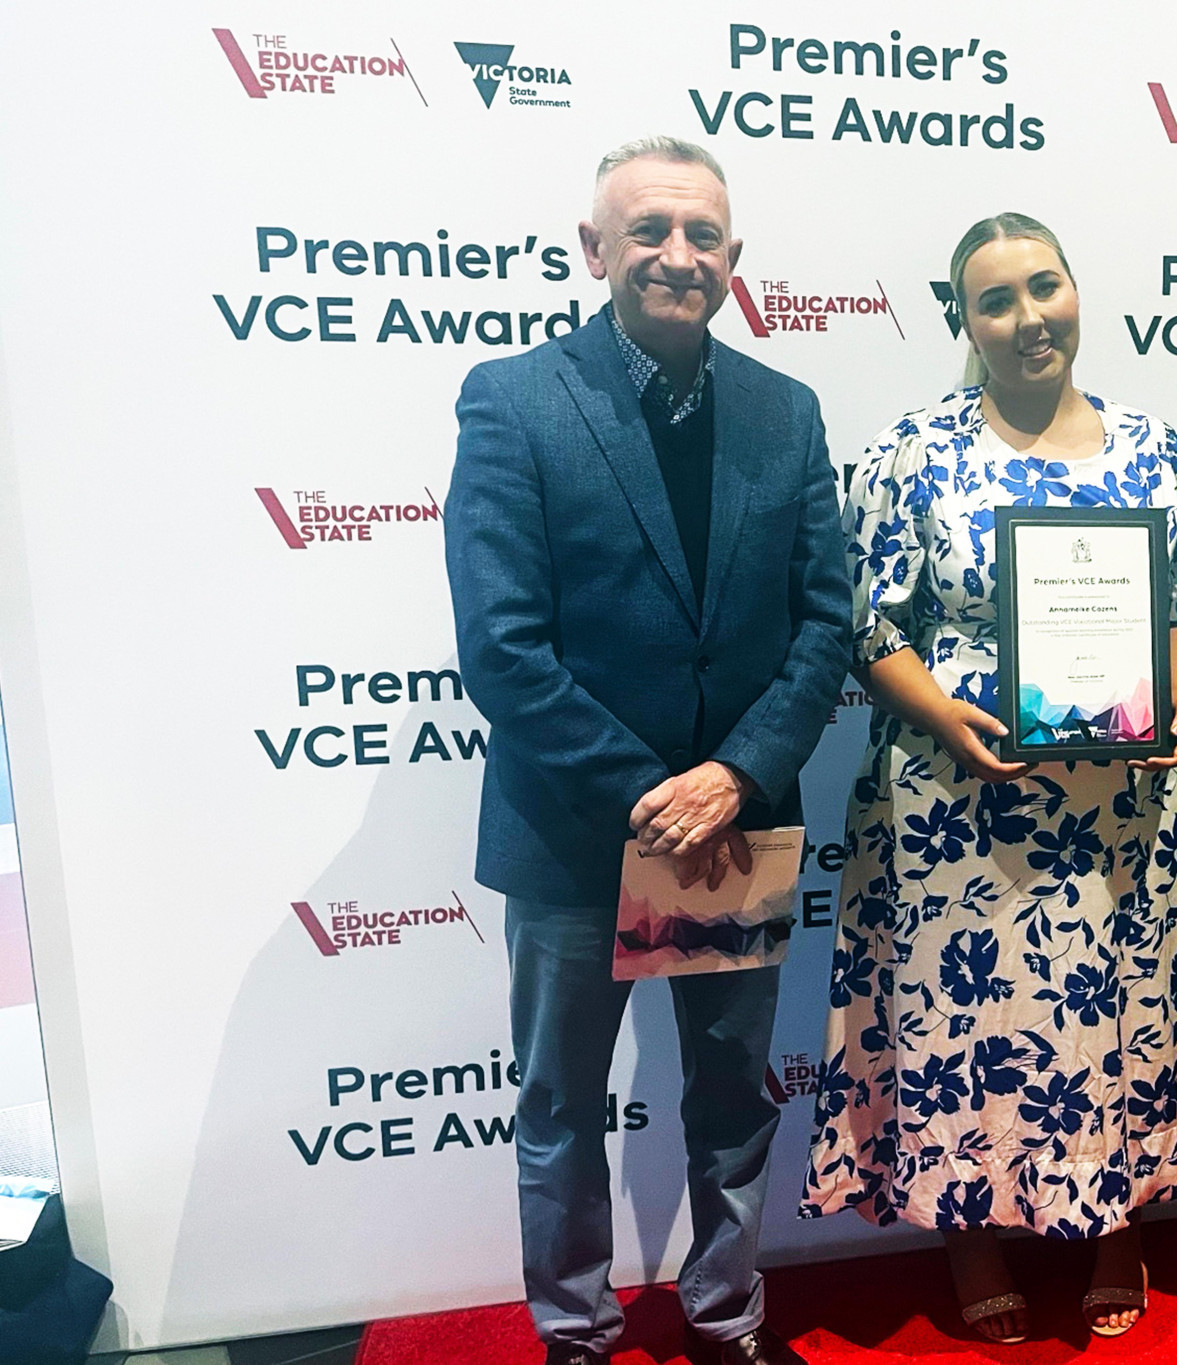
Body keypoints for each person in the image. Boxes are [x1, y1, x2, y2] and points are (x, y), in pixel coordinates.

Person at [444, 137, 849, 1365]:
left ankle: (727, 1318)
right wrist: (650, 795)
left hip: (733, 828)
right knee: (561, 1108)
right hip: (574, 836)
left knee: (732, 1098)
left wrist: (733, 777)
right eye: (650, 230)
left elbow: (824, 620)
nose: (678, 254)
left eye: (702, 234)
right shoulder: (512, 399)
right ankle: (575, 1336)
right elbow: (503, 648)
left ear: (733, 258)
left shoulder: (787, 412)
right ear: (595, 250)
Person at [799, 214, 1177, 1342]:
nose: (1028, 316)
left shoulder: (1154, 447)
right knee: (963, 1020)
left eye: (1045, 287)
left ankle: (1116, 1220)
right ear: (962, 320)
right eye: (996, 300)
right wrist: (945, 715)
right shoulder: (912, 451)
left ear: (1077, 291)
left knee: (1115, 1016)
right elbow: (871, 625)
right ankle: (971, 1231)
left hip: (1121, 809)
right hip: (956, 806)